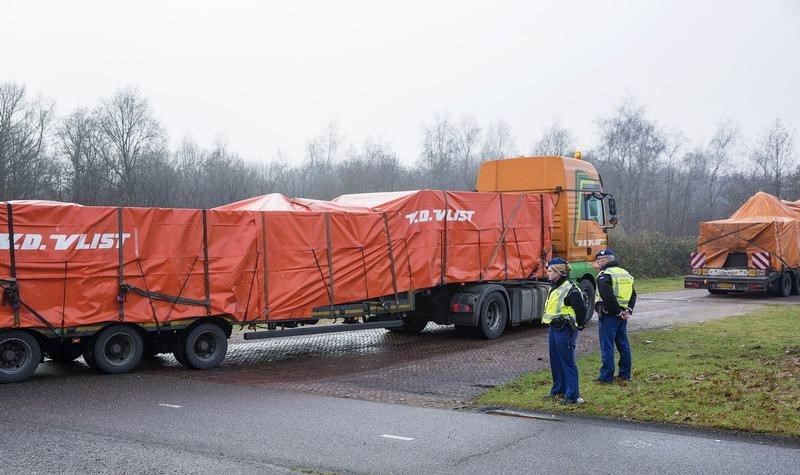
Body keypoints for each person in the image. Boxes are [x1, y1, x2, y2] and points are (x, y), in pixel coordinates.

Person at [542, 257, 587, 404]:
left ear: (559, 272)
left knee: (567, 362)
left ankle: (572, 395)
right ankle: (558, 391)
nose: (547, 273)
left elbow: (581, 312)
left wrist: (574, 326)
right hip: (554, 328)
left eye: (549, 271)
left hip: (565, 330)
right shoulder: (554, 286)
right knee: (556, 361)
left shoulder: (571, 289)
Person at [592, 249, 637, 384]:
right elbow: (633, 294)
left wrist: (617, 312)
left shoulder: (604, 275)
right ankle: (624, 374)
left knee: (607, 346)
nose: (597, 263)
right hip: (622, 316)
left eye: (599, 260)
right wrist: (628, 310)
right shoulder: (626, 273)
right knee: (623, 345)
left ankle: (606, 377)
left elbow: (607, 296)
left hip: (609, 315)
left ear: (606, 260)